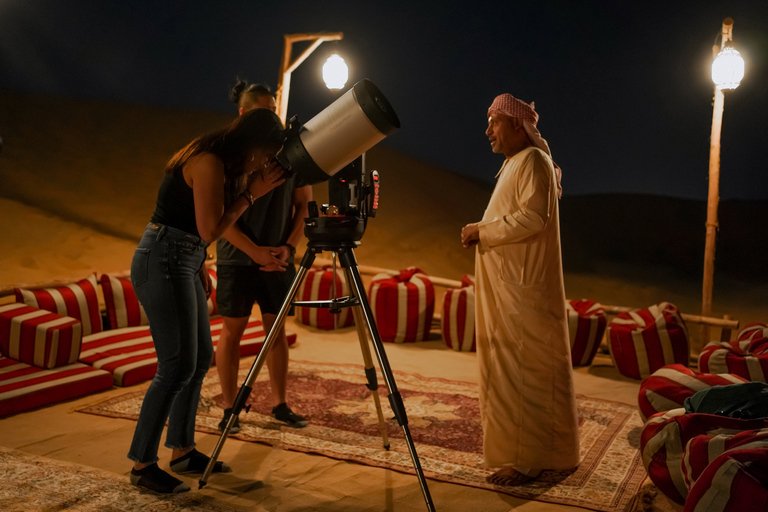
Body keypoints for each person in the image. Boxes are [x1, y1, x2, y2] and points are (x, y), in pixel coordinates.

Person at [128, 108, 287, 494]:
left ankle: (182, 450)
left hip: (184, 259)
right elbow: (211, 226)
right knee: (175, 364)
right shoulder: (210, 161)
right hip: (163, 259)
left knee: (198, 359)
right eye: (264, 155)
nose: (263, 164)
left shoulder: (223, 163)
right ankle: (142, 464)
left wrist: (251, 254)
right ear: (252, 143)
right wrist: (252, 193)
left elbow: (207, 229)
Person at [461, 93, 579, 486]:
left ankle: (524, 461)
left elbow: (532, 217)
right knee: (522, 371)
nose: (487, 130)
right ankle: (551, 454)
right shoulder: (518, 162)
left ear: (517, 125)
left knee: (522, 372)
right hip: (511, 290)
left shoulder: (532, 160)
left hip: (522, 293)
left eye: (494, 122)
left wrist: (482, 231)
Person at [214, 79, 312, 432]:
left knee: (276, 332)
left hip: (278, 257)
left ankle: (280, 404)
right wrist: (255, 252)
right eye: (264, 111)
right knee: (232, 331)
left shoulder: (290, 154)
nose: (272, 118)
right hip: (236, 257)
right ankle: (229, 407)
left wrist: (288, 247)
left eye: (273, 111)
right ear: (243, 114)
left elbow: (305, 205)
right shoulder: (228, 158)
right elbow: (219, 219)